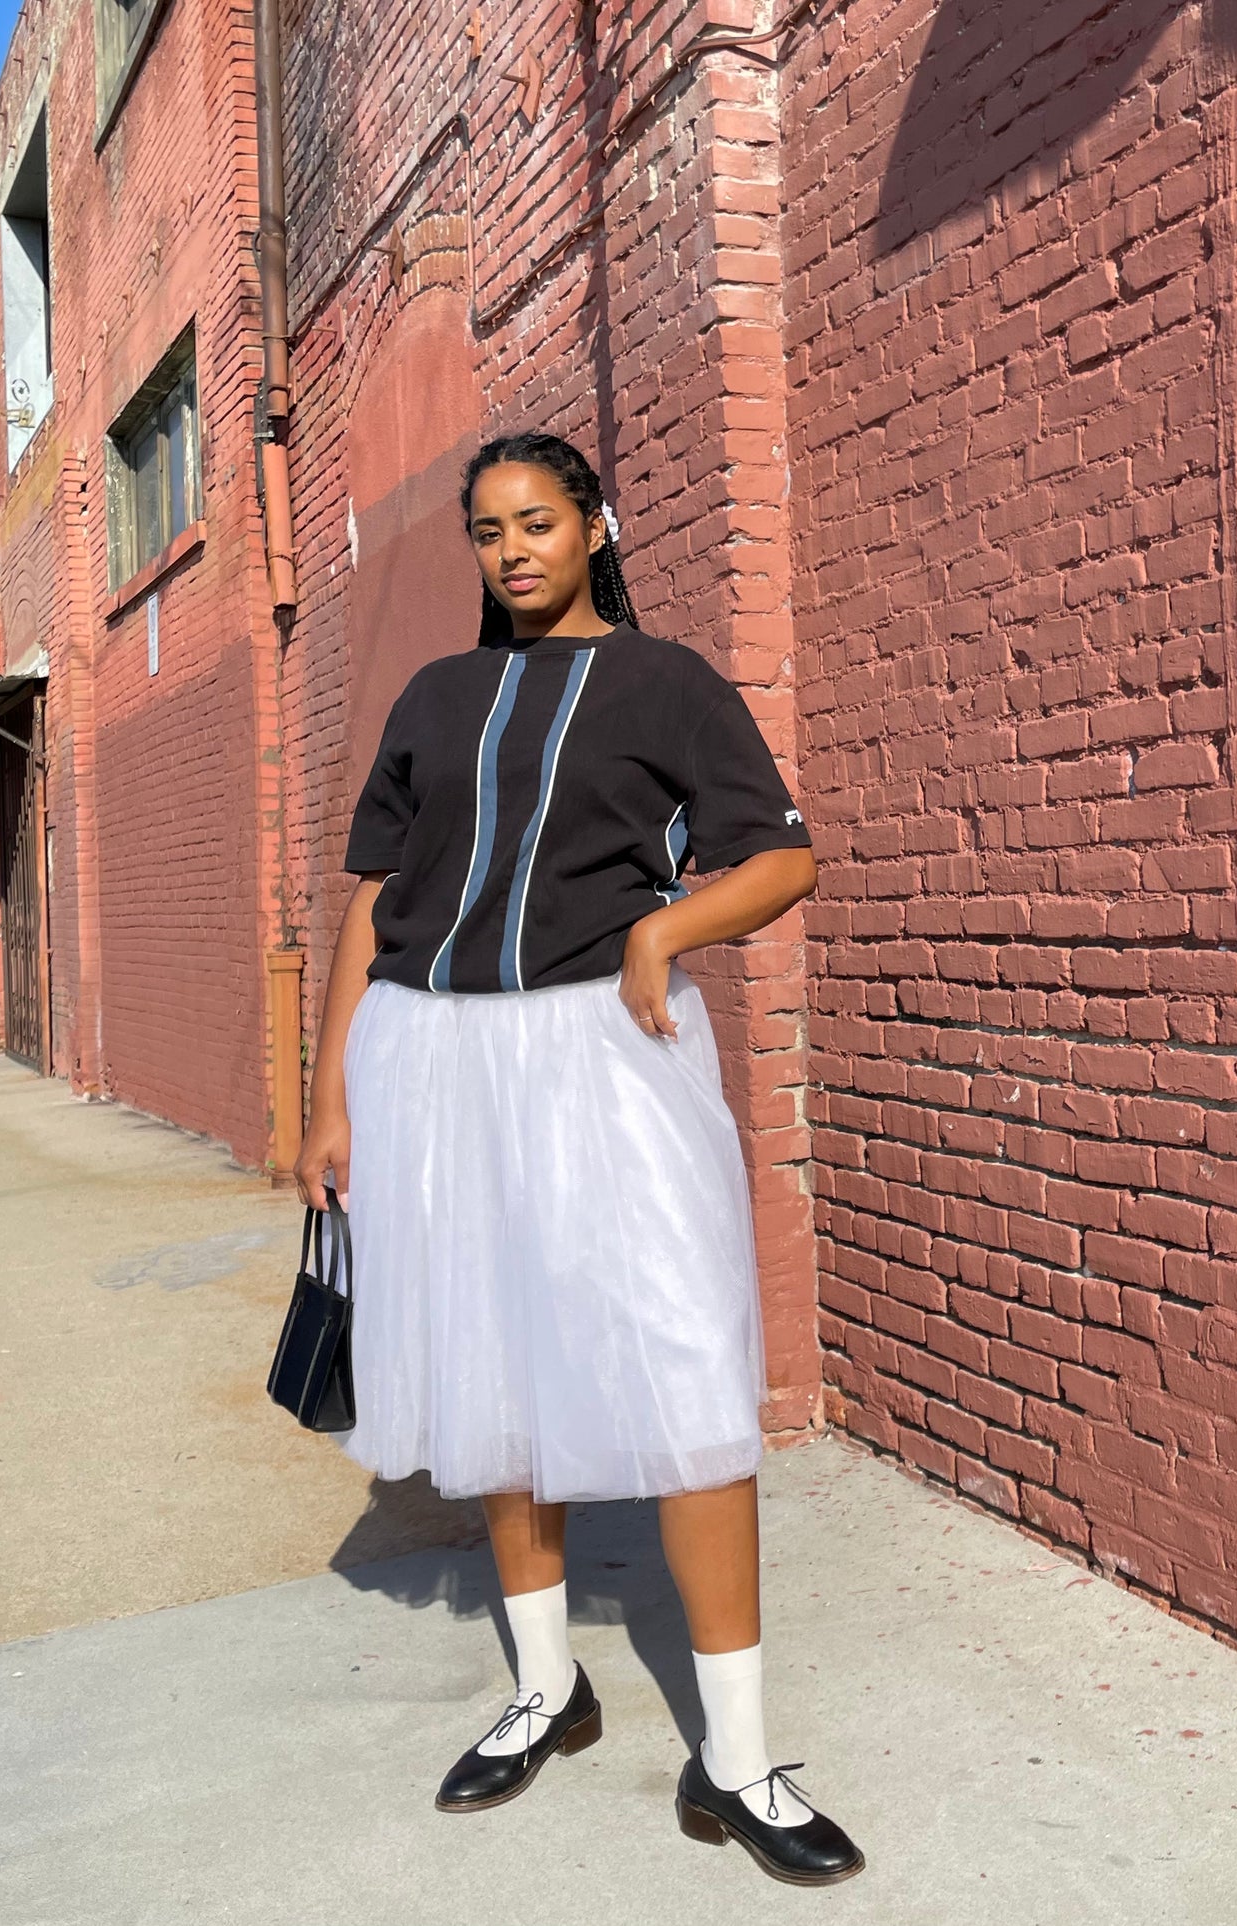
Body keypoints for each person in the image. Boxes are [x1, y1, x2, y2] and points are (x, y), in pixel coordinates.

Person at [295, 431, 864, 1886]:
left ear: (595, 524)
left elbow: (780, 856)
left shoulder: (667, 680)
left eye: (538, 521)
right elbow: (375, 903)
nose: (511, 550)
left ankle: (734, 1758)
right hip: (433, 1055)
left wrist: (664, 928)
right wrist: (331, 1094)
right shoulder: (435, 697)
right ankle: (546, 1687)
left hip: (606, 1050)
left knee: (684, 1372)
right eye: (488, 531)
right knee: (490, 1365)